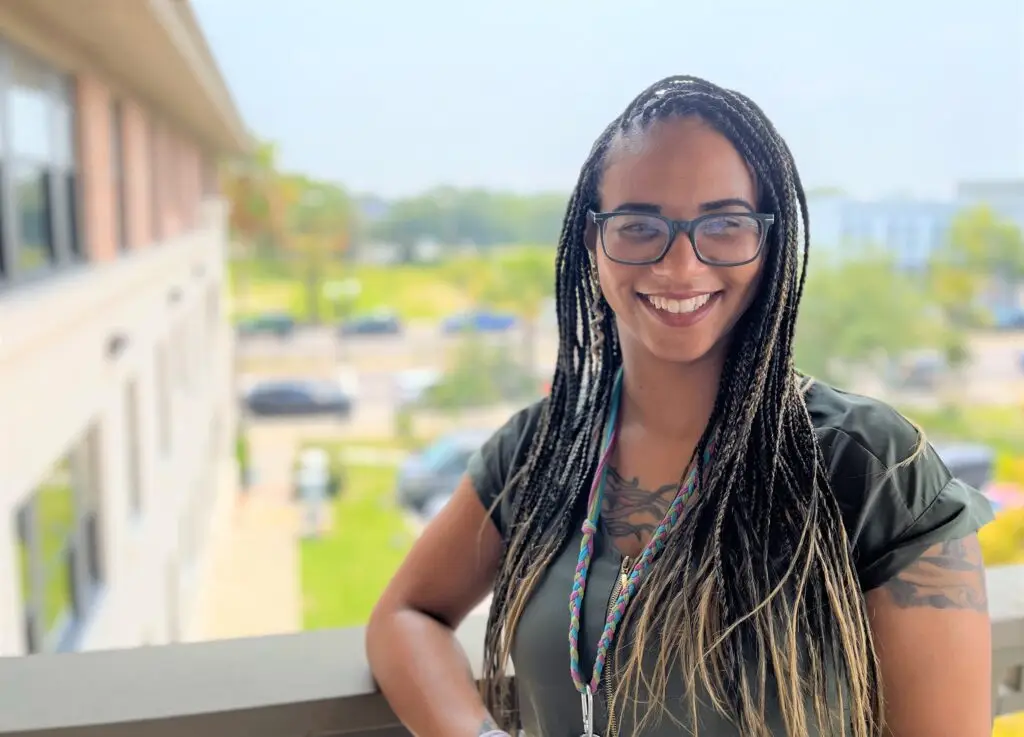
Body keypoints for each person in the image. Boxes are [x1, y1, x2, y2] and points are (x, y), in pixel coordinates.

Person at [365, 75, 995, 737]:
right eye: (639, 226)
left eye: (724, 224)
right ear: (592, 240)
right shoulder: (542, 450)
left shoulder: (872, 466)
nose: (680, 266)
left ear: (769, 241)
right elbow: (407, 614)